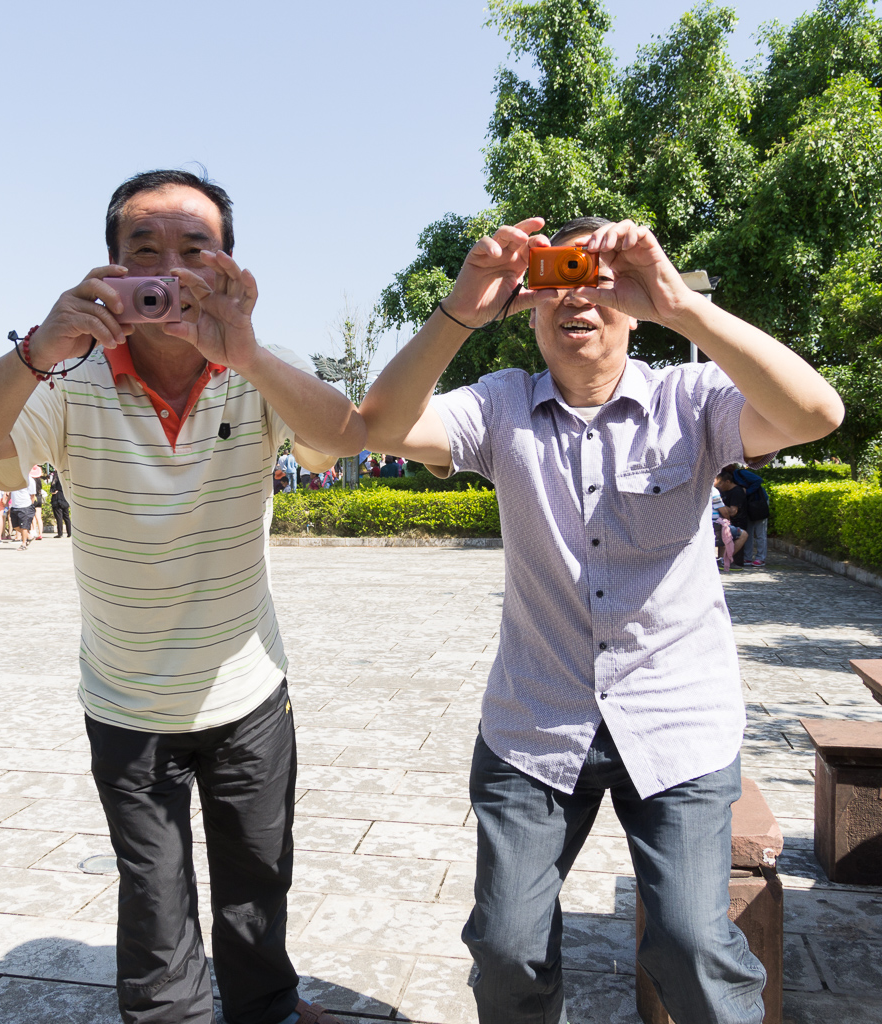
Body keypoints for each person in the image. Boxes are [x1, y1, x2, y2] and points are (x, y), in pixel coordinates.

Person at [359, 215, 844, 1024]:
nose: (577, 296)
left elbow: (816, 413)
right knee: (506, 947)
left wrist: (683, 308)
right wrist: (461, 314)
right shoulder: (499, 406)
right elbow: (376, 425)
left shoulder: (690, 400)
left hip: (675, 720)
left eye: (601, 278)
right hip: (536, 722)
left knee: (691, 946)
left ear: (634, 301)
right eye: (557, 277)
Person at [0, 168, 365, 1024]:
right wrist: (36, 349)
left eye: (194, 249)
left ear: (229, 268)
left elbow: (341, 439)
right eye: (145, 252)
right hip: (127, 702)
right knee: (157, 905)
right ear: (110, 273)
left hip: (246, 692)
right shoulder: (64, 382)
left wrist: (248, 352)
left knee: (257, 881)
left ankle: (268, 1005)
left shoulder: (261, 375)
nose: (170, 270)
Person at [715, 468, 749, 569]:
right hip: (725, 523)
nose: (718, 486)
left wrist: (718, 505)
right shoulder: (723, 491)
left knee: (738, 540)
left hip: (737, 522)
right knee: (723, 543)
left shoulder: (737, 491)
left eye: (720, 483)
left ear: (728, 482)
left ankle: (726, 560)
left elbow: (733, 512)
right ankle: (721, 560)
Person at [48, 466, 71, 538]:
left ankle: (60, 533)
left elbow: (53, 487)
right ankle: (69, 532)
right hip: (65, 497)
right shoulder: (66, 475)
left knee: (59, 516)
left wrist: (53, 491)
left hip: (57, 497)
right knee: (66, 516)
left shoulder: (56, 475)